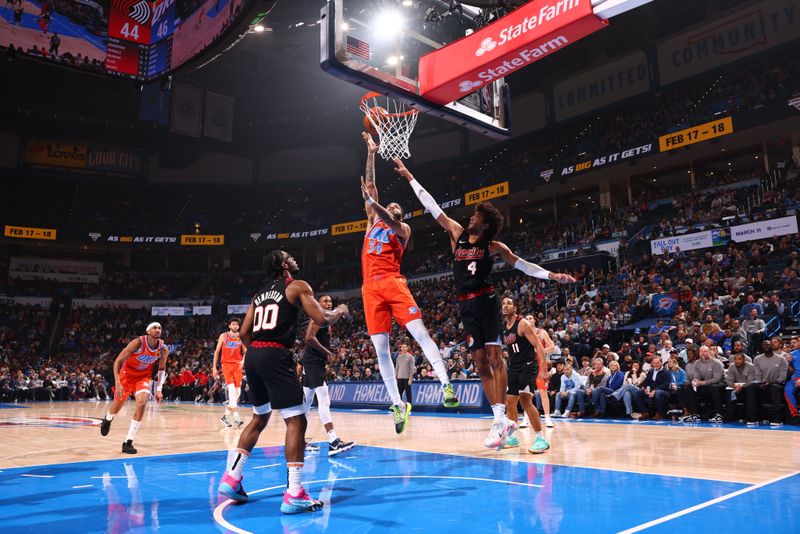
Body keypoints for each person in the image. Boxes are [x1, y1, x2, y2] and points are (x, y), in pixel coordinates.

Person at [396, 158, 574, 448]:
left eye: (476, 216)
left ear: (486, 222)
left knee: (494, 358)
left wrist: (552, 275)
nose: (470, 218)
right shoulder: (457, 235)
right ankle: (498, 419)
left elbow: (524, 265)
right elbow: (433, 207)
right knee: (479, 362)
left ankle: (500, 417)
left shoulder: (493, 247)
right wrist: (410, 177)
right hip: (465, 305)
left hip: (486, 301)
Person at [217, 250, 349, 514]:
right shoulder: (297, 286)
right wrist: (340, 310)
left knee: (259, 418)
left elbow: (243, 332)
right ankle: (295, 493)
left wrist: (257, 353)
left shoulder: (258, 295)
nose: (295, 258)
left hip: (254, 355)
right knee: (297, 421)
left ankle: (232, 478)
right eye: (290, 256)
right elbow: (321, 319)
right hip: (276, 355)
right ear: (283, 264)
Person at [359, 133, 459, 435]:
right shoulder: (371, 221)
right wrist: (371, 152)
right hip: (369, 289)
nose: (390, 207)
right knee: (380, 350)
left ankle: (446, 384)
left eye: (394, 207)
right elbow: (372, 185)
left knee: (419, 333)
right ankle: (397, 404)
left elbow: (381, 209)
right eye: (386, 204)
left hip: (393, 283)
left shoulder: (402, 229)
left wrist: (373, 202)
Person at [99, 322, 169, 454]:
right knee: (117, 406)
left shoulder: (163, 349)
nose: (158, 330)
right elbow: (118, 361)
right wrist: (118, 382)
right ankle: (108, 419)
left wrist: (159, 389)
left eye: (160, 328)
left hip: (143, 377)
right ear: (148, 331)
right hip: (127, 375)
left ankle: (128, 442)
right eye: (154, 327)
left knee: (142, 403)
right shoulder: (137, 343)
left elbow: (161, 369)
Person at [301, 295, 355, 457]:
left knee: (307, 402)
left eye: (330, 301)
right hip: (313, 363)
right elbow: (308, 338)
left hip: (312, 362)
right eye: (324, 301)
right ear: (318, 303)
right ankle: (333, 441)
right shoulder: (317, 316)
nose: (328, 303)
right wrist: (327, 352)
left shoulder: (325, 318)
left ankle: (298, 440)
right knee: (324, 401)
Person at [500, 297, 550, 454]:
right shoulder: (504, 328)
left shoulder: (522, 323)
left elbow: (538, 346)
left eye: (509, 303)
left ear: (515, 307)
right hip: (513, 367)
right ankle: (513, 437)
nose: (505, 306)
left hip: (528, 365)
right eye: (503, 304)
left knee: (525, 400)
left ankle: (540, 438)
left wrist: (543, 370)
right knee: (510, 402)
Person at [212, 318, 246, 428]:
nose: (235, 326)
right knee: (232, 391)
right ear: (230, 326)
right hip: (226, 365)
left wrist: (243, 361)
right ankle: (237, 418)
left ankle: (225, 416)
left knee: (237, 393)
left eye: (237, 324)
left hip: (237, 366)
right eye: (233, 324)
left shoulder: (241, 337)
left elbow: (246, 351)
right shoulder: (223, 336)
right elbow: (217, 352)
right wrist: (214, 367)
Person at [524, 314, 556, 428]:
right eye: (526, 318)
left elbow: (552, 347)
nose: (528, 320)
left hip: (540, 365)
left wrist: (540, 350)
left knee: (543, 392)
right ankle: (526, 418)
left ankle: (547, 418)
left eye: (530, 318)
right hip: (527, 365)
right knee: (526, 393)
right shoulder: (523, 334)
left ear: (534, 320)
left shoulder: (542, 332)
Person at [679, 346, 725, 423]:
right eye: (701, 351)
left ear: (709, 352)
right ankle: (695, 414)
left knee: (714, 387)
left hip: (720, 385)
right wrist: (695, 381)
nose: (703, 353)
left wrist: (702, 382)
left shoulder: (717, 363)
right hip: (706, 385)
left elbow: (717, 379)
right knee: (690, 387)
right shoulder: (697, 363)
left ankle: (719, 414)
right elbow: (697, 376)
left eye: (705, 351)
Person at [753, 339, 788, 426]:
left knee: (774, 387)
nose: (766, 346)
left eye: (768, 344)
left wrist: (770, 382)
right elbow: (757, 375)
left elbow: (782, 378)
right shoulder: (757, 359)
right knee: (751, 387)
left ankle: (778, 417)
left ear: (771, 346)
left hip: (777, 384)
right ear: (762, 347)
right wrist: (760, 383)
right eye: (764, 345)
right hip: (763, 384)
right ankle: (753, 416)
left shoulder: (781, 359)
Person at [725, 353, 757, 424]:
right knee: (729, 391)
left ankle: (751, 418)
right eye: (735, 359)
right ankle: (731, 416)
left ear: (744, 360)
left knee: (751, 389)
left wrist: (741, 387)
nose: (737, 361)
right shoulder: (732, 367)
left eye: (739, 359)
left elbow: (750, 381)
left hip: (747, 387)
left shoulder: (751, 366)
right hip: (737, 387)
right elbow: (729, 380)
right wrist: (733, 386)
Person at [786, 344, 800, 421]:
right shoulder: (792, 354)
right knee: (788, 389)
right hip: (795, 378)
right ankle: (794, 415)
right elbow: (791, 371)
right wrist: (787, 362)